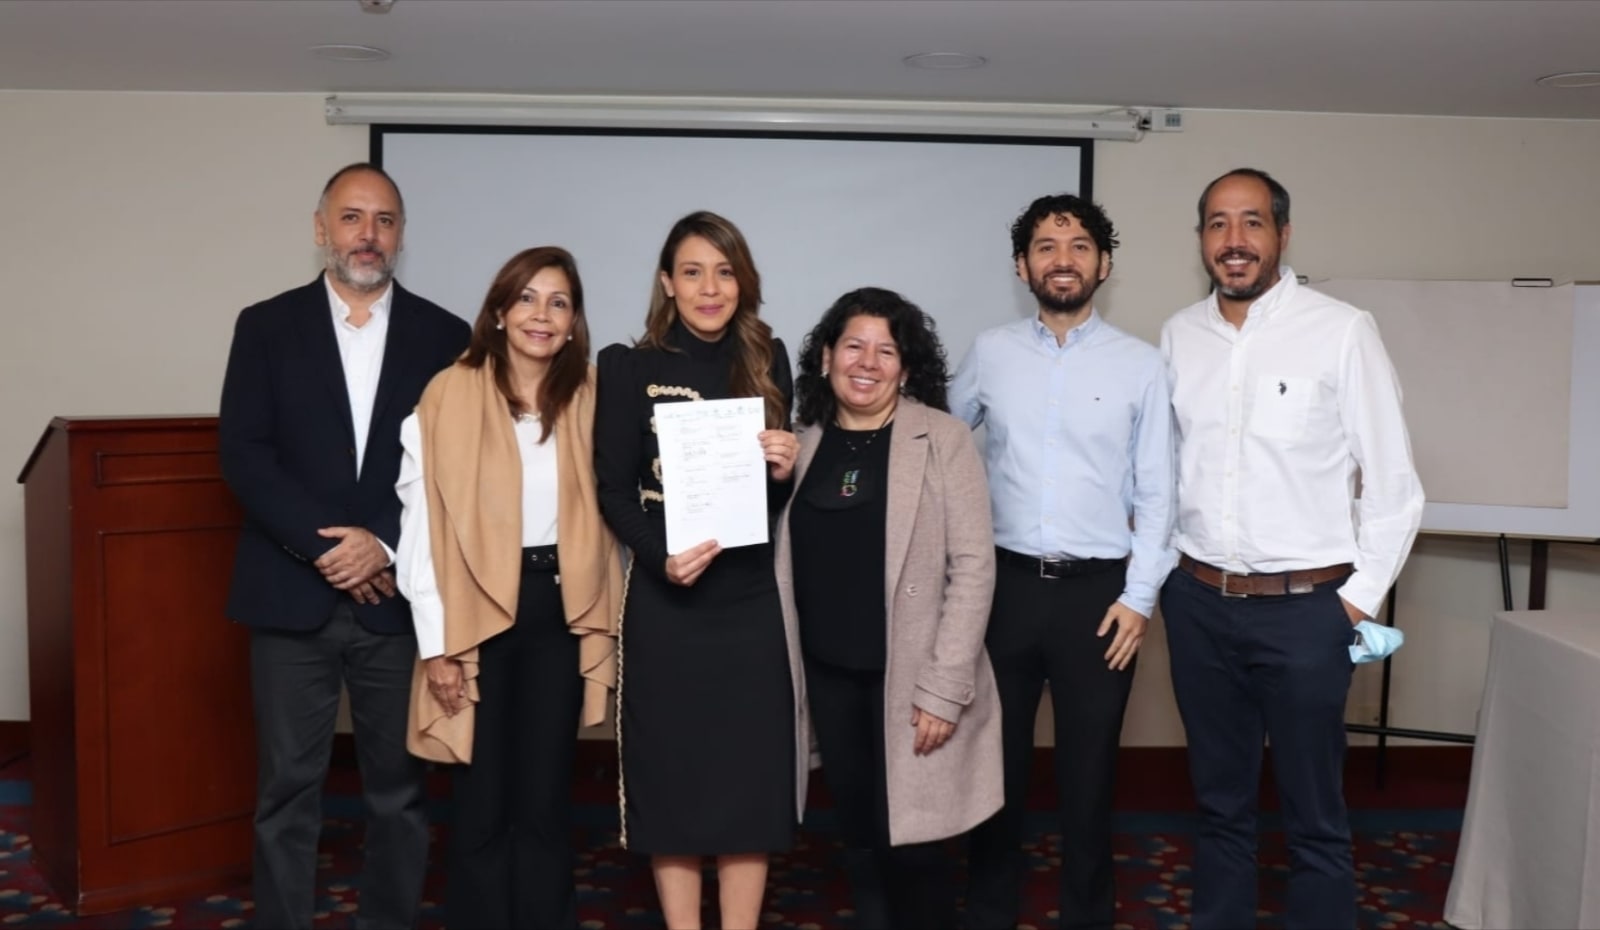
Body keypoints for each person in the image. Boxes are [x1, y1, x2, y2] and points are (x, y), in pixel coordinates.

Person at [1159, 168, 1424, 929]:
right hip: (1198, 605)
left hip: (1308, 612)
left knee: (1314, 814)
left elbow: (1395, 484)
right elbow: (1167, 472)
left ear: (1282, 233)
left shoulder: (1341, 330)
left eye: (1251, 222)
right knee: (1219, 806)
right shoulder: (1179, 336)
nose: (1234, 240)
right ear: (1201, 239)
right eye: (1217, 223)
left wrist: (1353, 605)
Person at [217, 162, 471, 930]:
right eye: (353, 217)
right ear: (320, 227)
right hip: (290, 593)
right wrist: (327, 549)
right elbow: (245, 455)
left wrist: (382, 544)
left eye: (385, 220)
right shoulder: (264, 326)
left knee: (399, 793)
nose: (369, 234)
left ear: (402, 234)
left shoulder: (447, 336)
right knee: (286, 790)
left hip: (398, 599)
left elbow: (455, 467)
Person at [953, 193, 1175, 930]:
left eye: (1079, 245)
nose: (1063, 259)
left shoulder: (1142, 365)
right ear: (1022, 266)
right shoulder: (991, 352)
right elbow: (939, 440)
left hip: (1100, 601)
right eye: (1045, 246)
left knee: (1090, 776)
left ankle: (1087, 916)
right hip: (1004, 591)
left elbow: (1160, 492)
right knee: (995, 771)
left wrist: (1139, 599)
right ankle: (989, 912)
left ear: (1104, 264)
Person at [394, 246, 624, 929]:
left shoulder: (591, 396)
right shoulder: (448, 393)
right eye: (527, 298)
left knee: (546, 798)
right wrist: (437, 645)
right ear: (498, 311)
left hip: (560, 608)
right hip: (472, 613)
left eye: (559, 302)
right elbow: (421, 524)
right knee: (481, 798)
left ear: (574, 321)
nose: (541, 315)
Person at [593, 210, 804, 930]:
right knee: (674, 786)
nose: (710, 288)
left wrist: (785, 470)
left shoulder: (769, 360)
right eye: (692, 272)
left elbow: (770, 505)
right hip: (665, 601)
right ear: (667, 282)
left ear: (743, 281)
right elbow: (612, 490)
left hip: (749, 602)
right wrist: (659, 559)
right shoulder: (627, 367)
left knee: (748, 788)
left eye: (724, 271)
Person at [776, 287, 1001, 930]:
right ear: (826, 357)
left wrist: (944, 688)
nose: (867, 363)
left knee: (917, 844)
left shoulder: (943, 439)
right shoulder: (800, 446)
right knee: (860, 834)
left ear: (905, 368)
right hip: (829, 676)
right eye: (854, 346)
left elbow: (974, 568)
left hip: (913, 682)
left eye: (887, 351)